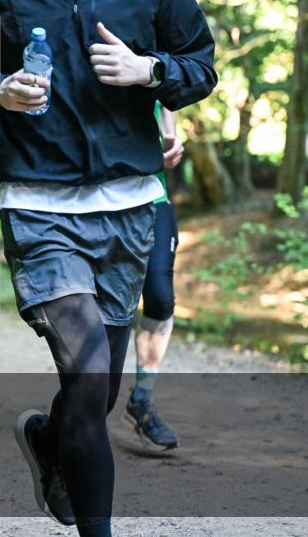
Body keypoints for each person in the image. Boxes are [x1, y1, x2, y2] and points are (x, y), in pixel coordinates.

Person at [0, 0, 217, 534]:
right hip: (39, 204)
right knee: (89, 369)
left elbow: (199, 64)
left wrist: (150, 71)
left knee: (99, 391)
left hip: (128, 209)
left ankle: (48, 437)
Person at [124, 104, 183, 451]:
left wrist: (169, 137)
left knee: (160, 298)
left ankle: (142, 398)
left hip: (153, 195)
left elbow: (167, 101)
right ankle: (84, 402)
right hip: (95, 201)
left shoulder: (151, 56)